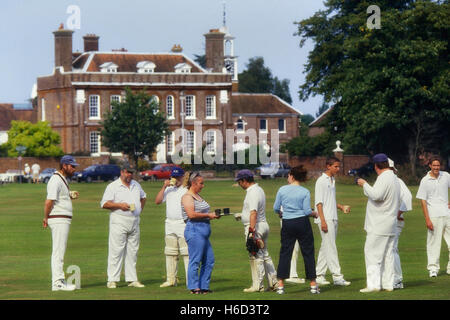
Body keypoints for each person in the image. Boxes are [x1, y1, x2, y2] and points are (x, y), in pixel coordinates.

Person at [357, 153, 400, 293]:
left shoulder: (384, 178)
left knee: (372, 253)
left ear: (376, 166)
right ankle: (388, 284)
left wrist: (364, 184)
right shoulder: (394, 178)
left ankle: (374, 285)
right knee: (388, 255)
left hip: (379, 223)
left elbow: (376, 195)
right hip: (390, 222)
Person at [273, 166, 320, 295]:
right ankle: (313, 284)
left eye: (288, 175)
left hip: (288, 222)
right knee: (308, 252)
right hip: (302, 223)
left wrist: (281, 213)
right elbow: (306, 211)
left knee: (285, 252)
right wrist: (314, 213)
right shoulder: (305, 191)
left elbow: (276, 208)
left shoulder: (282, 190)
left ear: (292, 176)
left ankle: (281, 285)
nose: (287, 177)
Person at [101, 162, 147, 289]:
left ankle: (132, 279)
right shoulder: (113, 186)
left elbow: (143, 197)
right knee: (116, 250)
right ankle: (112, 279)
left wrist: (139, 210)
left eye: (131, 173)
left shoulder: (136, 185)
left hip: (134, 221)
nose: (130, 175)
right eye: (127, 172)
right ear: (122, 172)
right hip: (119, 220)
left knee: (133, 251)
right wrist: (119, 205)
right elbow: (104, 204)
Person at [235, 169, 278, 293]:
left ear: (244, 181)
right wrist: (242, 215)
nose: (239, 184)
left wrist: (251, 232)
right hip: (263, 225)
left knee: (255, 256)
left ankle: (258, 285)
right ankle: (274, 282)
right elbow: (251, 211)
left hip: (255, 227)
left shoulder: (252, 192)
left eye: (239, 181)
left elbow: (253, 212)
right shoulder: (259, 189)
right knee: (265, 255)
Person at [43, 155, 79, 291]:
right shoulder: (55, 179)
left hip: (62, 218)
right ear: (64, 165)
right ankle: (57, 282)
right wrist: (45, 217)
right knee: (58, 251)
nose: (74, 169)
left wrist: (69, 195)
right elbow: (49, 201)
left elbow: (58, 197)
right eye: (72, 166)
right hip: (58, 218)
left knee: (60, 250)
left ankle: (59, 281)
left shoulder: (62, 179)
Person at [314, 156, 351, 286]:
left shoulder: (332, 180)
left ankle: (319, 275)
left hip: (333, 217)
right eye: (335, 166)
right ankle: (337, 277)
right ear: (328, 166)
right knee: (331, 247)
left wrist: (341, 207)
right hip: (326, 218)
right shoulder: (321, 181)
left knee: (326, 247)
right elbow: (318, 203)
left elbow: (331, 200)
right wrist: (323, 221)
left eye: (338, 166)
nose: (338, 169)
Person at [181, 171, 220, 294]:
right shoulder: (187, 197)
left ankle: (204, 287)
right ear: (193, 183)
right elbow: (191, 215)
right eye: (201, 183)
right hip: (194, 230)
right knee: (195, 260)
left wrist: (212, 216)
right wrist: (208, 215)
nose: (203, 185)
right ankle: (194, 287)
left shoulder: (198, 196)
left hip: (203, 231)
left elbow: (201, 213)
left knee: (209, 260)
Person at [416, 156, 450, 278]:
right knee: (434, 244)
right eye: (434, 165)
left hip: (447, 214)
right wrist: (427, 219)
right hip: (434, 216)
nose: (436, 168)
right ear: (430, 165)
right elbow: (423, 201)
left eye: (438, 165)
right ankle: (433, 268)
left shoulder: (446, 176)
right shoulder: (425, 180)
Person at [155, 167, 189, 287]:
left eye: (178, 177)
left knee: (186, 252)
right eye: (173, 177)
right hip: (169, 223)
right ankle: (171, 280)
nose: (176, 179)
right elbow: (157, 201)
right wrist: (164, 187)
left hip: (182, 223)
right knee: (170, 252)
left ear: (182, 177)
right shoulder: (168, 189)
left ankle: (190, 280)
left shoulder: (186, 189)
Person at [388, 158, 412, 289]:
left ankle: (397, 280)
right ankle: (390, 278)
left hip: (395, 221)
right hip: (387, 222)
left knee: (392, 249)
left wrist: (397, 214)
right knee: (388, 250)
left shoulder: (397, 181)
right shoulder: (387, 181)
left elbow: (408, 198)